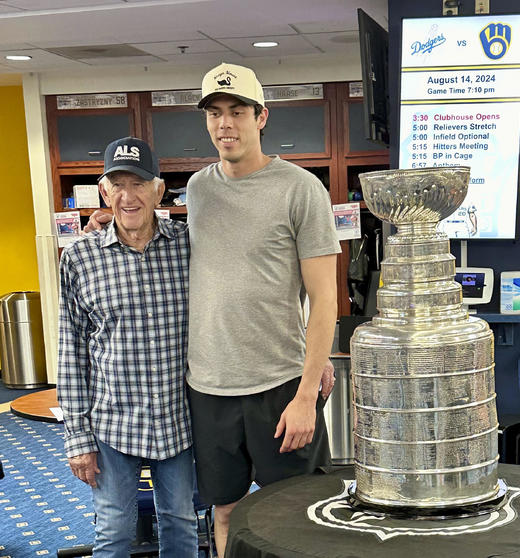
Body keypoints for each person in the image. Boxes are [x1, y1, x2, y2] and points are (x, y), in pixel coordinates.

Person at [85, 62, 340, 557]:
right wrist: (109, 223)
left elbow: (325, 298)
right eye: (215, 113)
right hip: (208, 390)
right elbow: (162, 236)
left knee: (295, 509)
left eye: (238, 111)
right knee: (223, 509)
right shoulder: (198, 189)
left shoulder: (301, 188)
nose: (226, 123)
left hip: (280, 385)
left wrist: (308, 390)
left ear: (261, 116)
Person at [57, 137, 197, 557]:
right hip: (113, 425)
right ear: (104, 192)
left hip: (179, 419)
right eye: (117, 184)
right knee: (113, 533)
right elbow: (71, 353)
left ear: (159, 190)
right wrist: (77, 438)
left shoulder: (191, 246)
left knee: (181, 525)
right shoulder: (79, 258)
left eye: (138, 184)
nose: (127, 196)